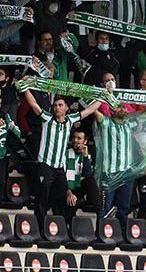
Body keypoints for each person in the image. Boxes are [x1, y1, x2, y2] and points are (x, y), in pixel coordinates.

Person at [23, 90, 103, 223]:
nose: (57, 108)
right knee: (42, 197)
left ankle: (61, 226)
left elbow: (89, 111)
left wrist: (104, 96)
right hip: (45, 165)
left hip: (59, 169)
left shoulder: (70, 120)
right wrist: (25, 89)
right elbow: (34, 104)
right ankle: (39, 227)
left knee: (63, 196)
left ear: (66, 108)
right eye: (55, 105)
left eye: (60, 105)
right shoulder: (47, 118)